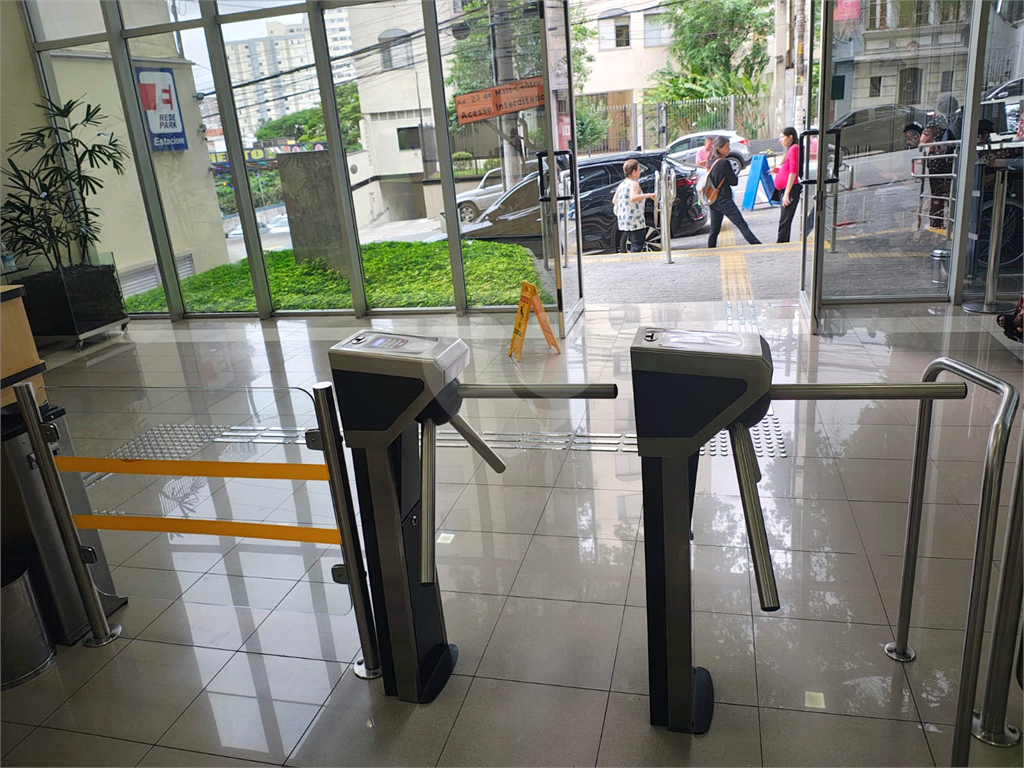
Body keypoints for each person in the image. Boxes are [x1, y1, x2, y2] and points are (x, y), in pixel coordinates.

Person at [705, 136, 762, 248]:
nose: (729, 149)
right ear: (719, 148)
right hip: (724, 199)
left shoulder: (711, 161)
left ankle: (710, 250)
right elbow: (734, 181)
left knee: (714, 230)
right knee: (741, 224)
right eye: (727, 147)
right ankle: (758, 246)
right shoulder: (724, 162)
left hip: (713, 199)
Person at [613, 158, 656, 252]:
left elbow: (614, 200)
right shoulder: (634, 184)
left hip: (624, 220)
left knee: (634, 242)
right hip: (635, 220)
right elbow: (633, 197)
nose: (640, 172)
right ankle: (635, 260)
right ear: (633, 171)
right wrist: (649, 195)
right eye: (639, 170)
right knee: (637, 245)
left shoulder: (622, 184)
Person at [772, 126, 801, 243]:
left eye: (782, 137)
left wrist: (787, 194)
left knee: (784, 222)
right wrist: (778, 171)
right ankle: (783, 244)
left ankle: (781, 245)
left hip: (790, 189)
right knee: (784, 221)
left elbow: (793, 172)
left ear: (790, 137)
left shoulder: (794, 149)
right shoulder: (790, 149)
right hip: (784, 189)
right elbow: (788, 169)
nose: (780, 140)